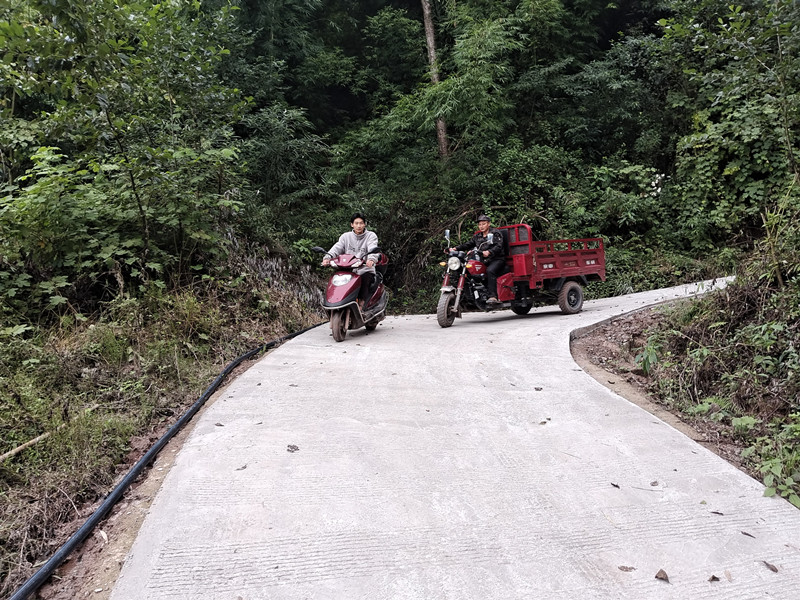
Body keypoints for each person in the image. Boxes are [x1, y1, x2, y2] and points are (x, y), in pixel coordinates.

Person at [322, 213, 380, 306]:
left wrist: (371, 259)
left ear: (365, 224)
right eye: (356, 223)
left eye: (361, 223)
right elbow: (337, 248)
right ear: (352, 224)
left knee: (365, 279)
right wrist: (327, 258)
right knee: (336, 279)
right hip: (347, 269)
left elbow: (372, 247)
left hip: (364, 269)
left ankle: (361, 304)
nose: (359, 226)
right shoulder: (345, 237)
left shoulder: (370, 236)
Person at [449, 214, 505, 303]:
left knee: (490, 271)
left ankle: (493, 296)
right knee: (468, 270)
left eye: (484, 224)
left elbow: (499, 246)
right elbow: (468, 244)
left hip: (497, 259)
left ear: (488, 224)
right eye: (479, 224)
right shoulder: (477, 236)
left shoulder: (495, 233)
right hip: (483, 260)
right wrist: (456, 248)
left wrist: (489, 252)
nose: (481, 226)